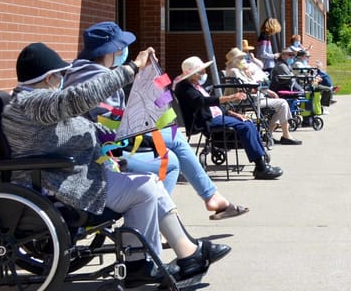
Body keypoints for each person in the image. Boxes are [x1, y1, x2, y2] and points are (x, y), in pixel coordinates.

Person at [1, 42, 230, 287]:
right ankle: (151, 261)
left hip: (76, 173)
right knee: (144, 188)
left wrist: (128, 133)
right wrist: (132, 68)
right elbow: (80, 98)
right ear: (47, 78)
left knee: (148, 184)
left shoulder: (36, 102)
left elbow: (81, 127)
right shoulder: (33, 103)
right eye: (58, 74)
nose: (61, 79)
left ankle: (174, 255)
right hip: (61, 184)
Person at [65, 22, 248, 220]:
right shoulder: (99, 77)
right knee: (172, 154)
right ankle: (167, 215)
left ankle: (205, 200)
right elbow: (110, 124)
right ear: (113, 49)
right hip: (104, 152)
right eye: (121, 47)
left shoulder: (78, 72)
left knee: (172, 142)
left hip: (95, 146)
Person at [174, 56, 284, 179]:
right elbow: (202, 102)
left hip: (216, 116)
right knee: (245, 127)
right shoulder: (184, 88)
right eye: (202, 71)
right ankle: (261, 168)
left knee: (249, 122)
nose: (205, 73)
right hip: (206, 121)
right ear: (194, 75)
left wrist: (234, 114)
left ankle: (261, 163)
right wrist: (231, 97)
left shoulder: (196, 86)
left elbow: (214, 107)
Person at [224, 46, 301, 145]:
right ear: (235, 60)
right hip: (246, 100)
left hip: (253, 98)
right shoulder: (234, 71)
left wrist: (250, 77)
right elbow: (246, 88)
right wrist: (251, 77)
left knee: (281, 105)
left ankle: (271, 134)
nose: (244, 60)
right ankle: (283, 135)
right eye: (241, 58)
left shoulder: (241, 71)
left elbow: (251, 86)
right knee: (282, 104)